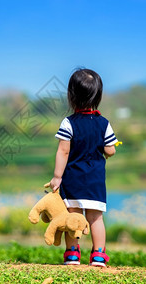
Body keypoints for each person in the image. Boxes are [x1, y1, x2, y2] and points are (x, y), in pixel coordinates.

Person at [50, 68, 118, 267]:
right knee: (96, 218)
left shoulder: (68, 122)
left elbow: (63, 151)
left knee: (73, 217)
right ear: (98, 95)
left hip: (73, 180)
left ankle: (72, 254)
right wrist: (108, 149)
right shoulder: (104, 123)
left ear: (71, 95)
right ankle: (98, 255)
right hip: (95, 182)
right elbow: (111, 150)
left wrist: (57, 177)